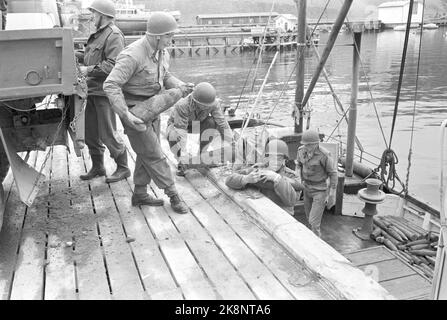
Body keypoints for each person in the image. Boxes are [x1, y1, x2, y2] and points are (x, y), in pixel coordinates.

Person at [103, 11, 193, 214]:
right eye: (169, 36)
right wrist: (126, 115)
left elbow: (165, 75)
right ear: (157, 36)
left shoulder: (162, 51)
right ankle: (173, 195)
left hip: (154, 107)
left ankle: (140, 194)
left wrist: (180, 86)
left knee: (146, 152)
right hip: (135, 113)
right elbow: (110, 85)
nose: (172, 40)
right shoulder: (133, 55)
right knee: (154, 154)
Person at [78, 0, 131, 184]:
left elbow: (114, 65)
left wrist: (88, 70)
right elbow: (88, 57)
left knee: (108, 132)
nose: (92, 16)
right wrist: (74, 55)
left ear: (103, 15)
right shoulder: (98, 35)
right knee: (91, 132)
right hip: (91, 92)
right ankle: (98, 166)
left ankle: (123, 168)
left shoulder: (114, 35)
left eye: (94, 13)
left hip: (105, 93)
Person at [166, 82, 233, 176]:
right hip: (177, 126)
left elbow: (222, 122)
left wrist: (231, 141)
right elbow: (181, 132)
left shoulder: (213, 103)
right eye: (204, 105)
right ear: (195, 101)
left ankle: (202, 156)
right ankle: (181, 163)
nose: (207, 107)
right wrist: (183, 156)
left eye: (208, 105)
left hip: (196, 124)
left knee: (211, 122)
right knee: (173, 135)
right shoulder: (182, 105)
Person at [225, 139, 303, 208]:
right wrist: (246, 179)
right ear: (267, 157)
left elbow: (292, 201)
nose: (275, 162)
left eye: (279, 159)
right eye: (272, 158)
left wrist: (277, 178)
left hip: (282, 216)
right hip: (260, 211)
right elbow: (229, 180)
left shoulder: (293, 176)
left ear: (284, 160)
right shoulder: (258, 169)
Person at [296, 129, 337, 237]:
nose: (307, 147)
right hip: (306, 188)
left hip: (320, 191)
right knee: (308, 219)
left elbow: (333, 174)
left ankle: (318, 245)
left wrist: (332, 195)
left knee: (314, 223)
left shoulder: (324, 155)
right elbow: (299, 164)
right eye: (305, 144)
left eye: (309, 145)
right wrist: (298, 180)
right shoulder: (301, 151)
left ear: (316, 143)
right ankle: (311, 241)